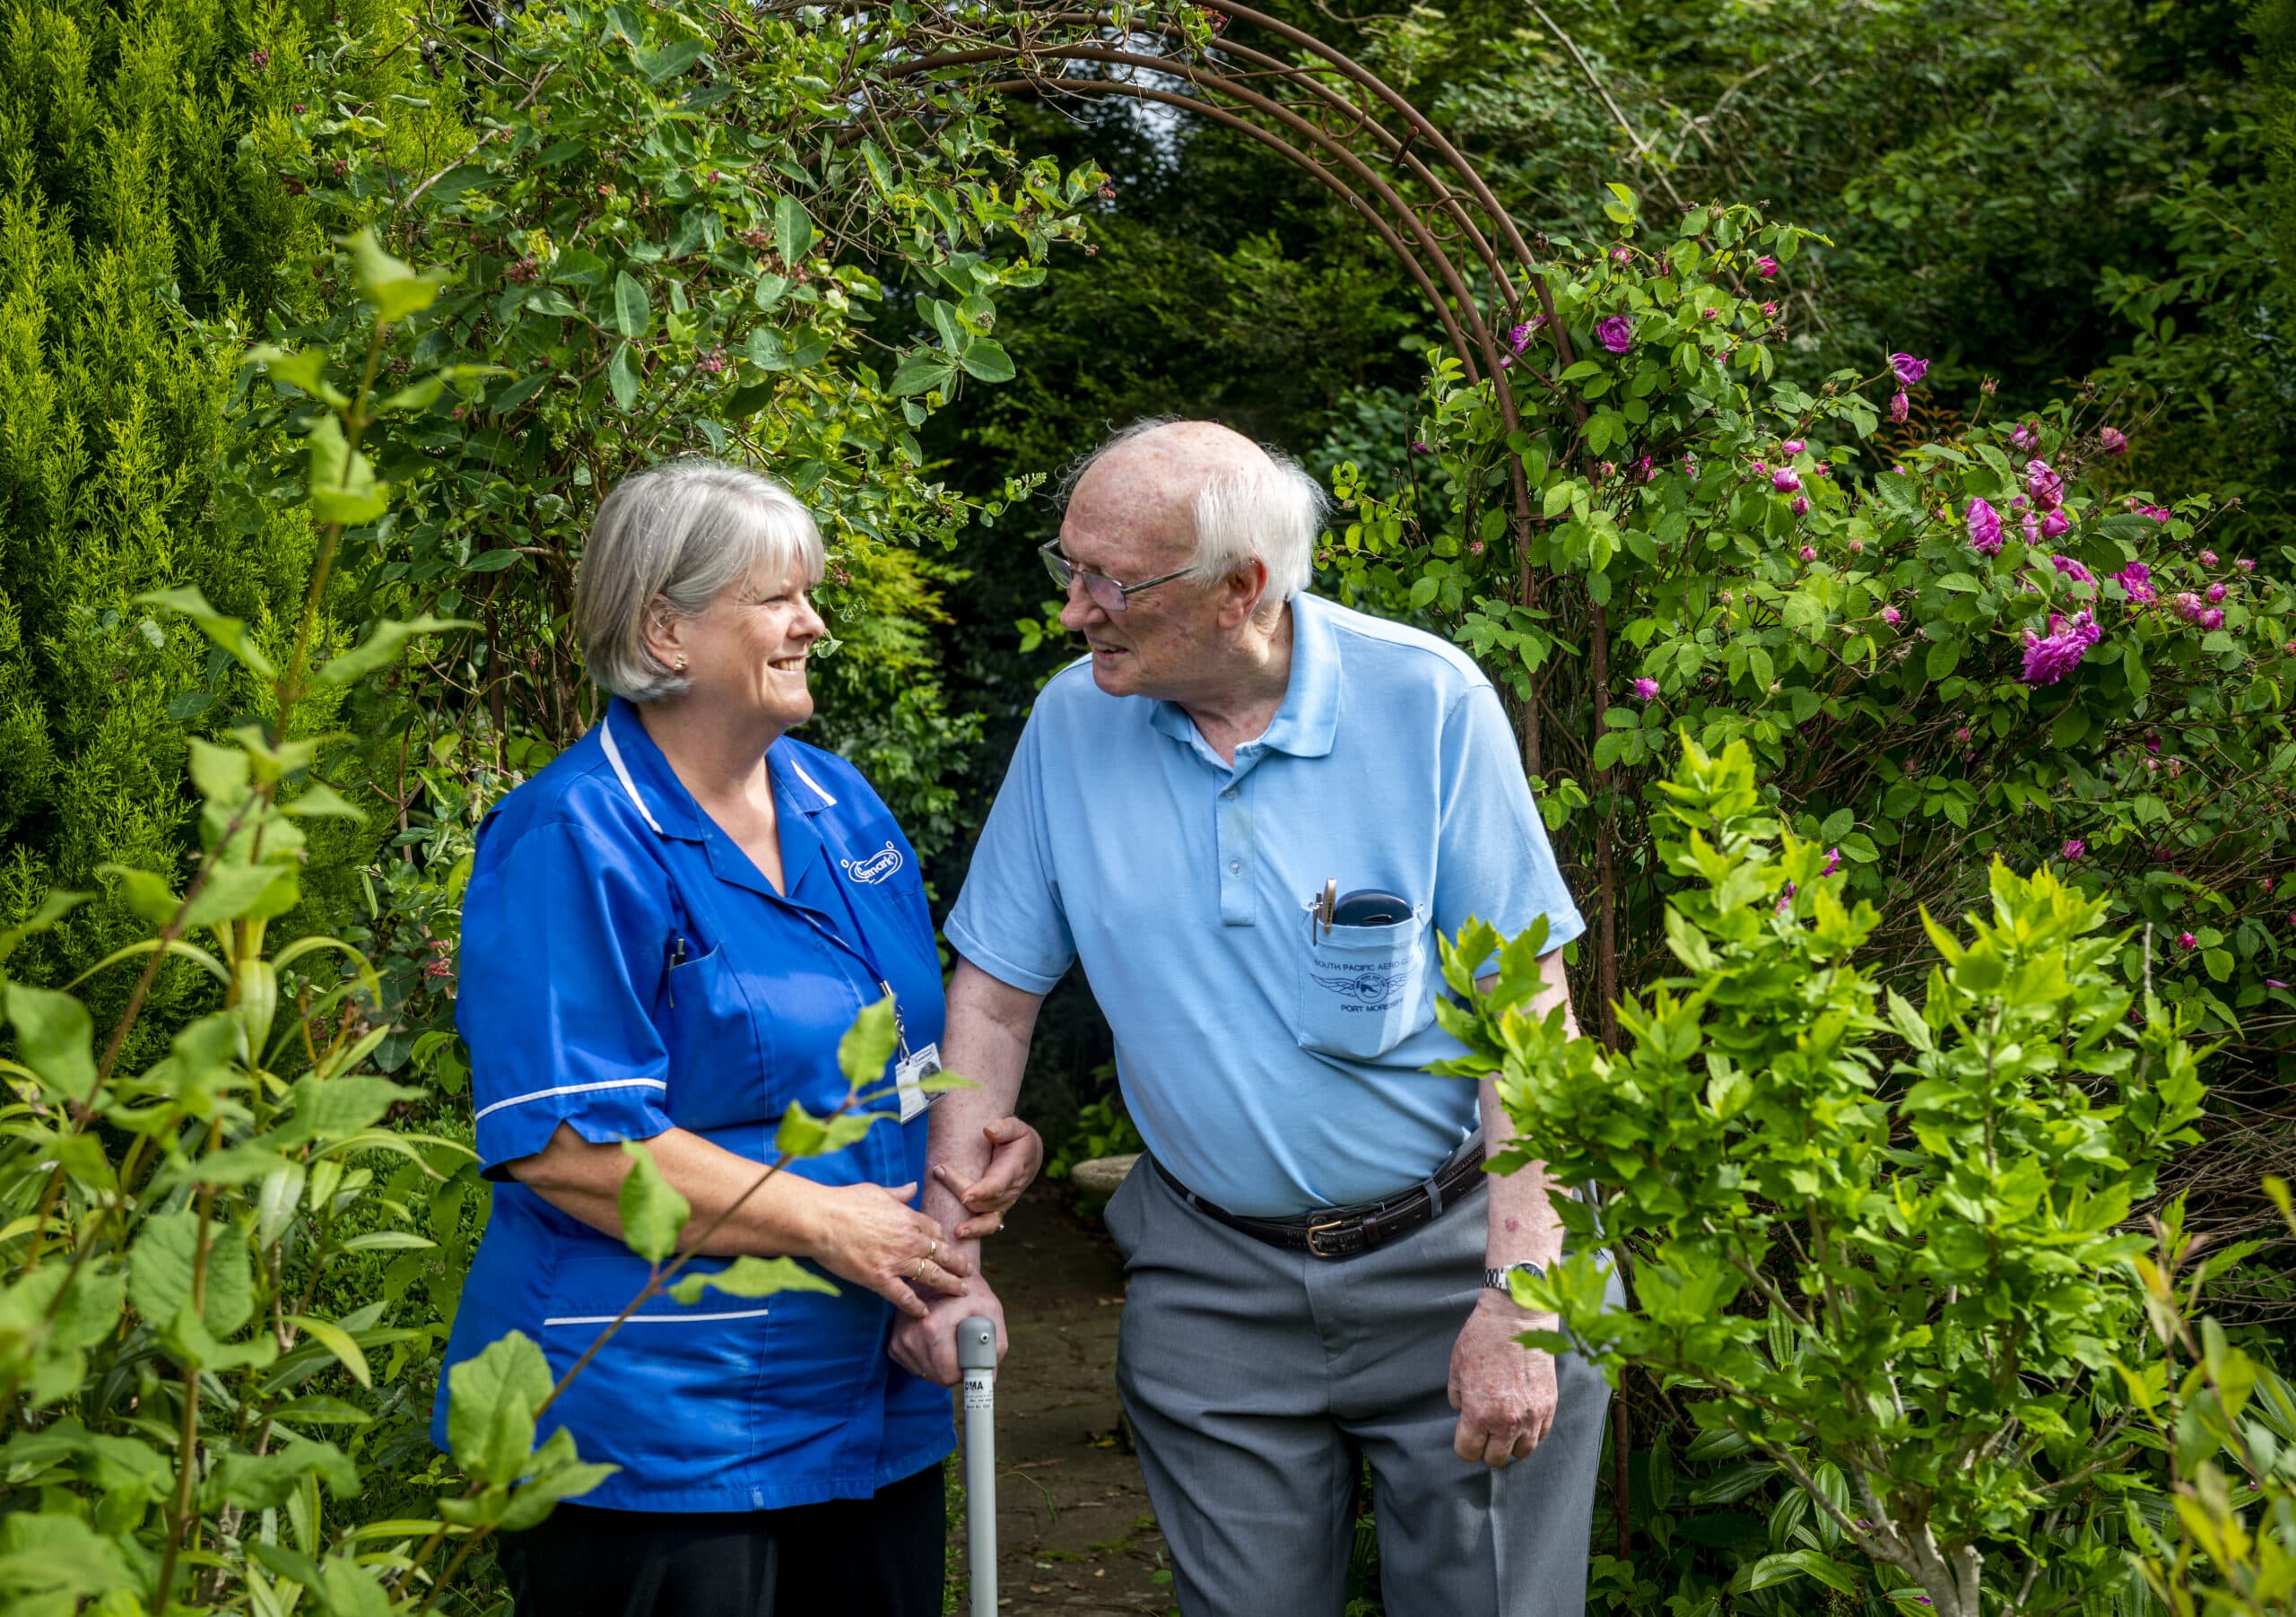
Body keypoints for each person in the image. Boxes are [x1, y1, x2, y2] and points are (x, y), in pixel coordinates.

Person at [892, 420, 1618, 1616]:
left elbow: (1528, 1017)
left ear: (1243, 588)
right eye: (1067, 567)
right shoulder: (1072, 724)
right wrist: (949, 1252)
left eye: (1111, 582)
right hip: (1210, 1275)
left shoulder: (1427, 701)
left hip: (1458, 1250)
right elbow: (995, 999)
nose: (1076, 611)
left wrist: (1523, 1293)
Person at [431, 459, 1039, 1617]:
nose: (812, 621)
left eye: (810, 593)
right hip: (659, 1441)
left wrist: (963, 1211)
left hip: (875, 1416)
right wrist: (829, 1220)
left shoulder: (840, 804)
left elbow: (905, 1073)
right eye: (779, 597)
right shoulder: (572, 835)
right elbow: (565, 1145)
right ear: (665, 630)